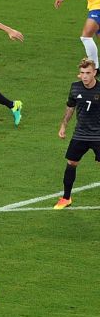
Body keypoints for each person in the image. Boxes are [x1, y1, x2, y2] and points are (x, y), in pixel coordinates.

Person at [55, 58, 100, 209]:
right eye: (82, 73)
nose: (85, 76)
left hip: (98, 135)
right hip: (80, 134)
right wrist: (63, 126)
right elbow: (70, 107)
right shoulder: (75, 88)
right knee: (71, 163)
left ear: (94, 73)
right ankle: (66, 198)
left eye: (88, 72)